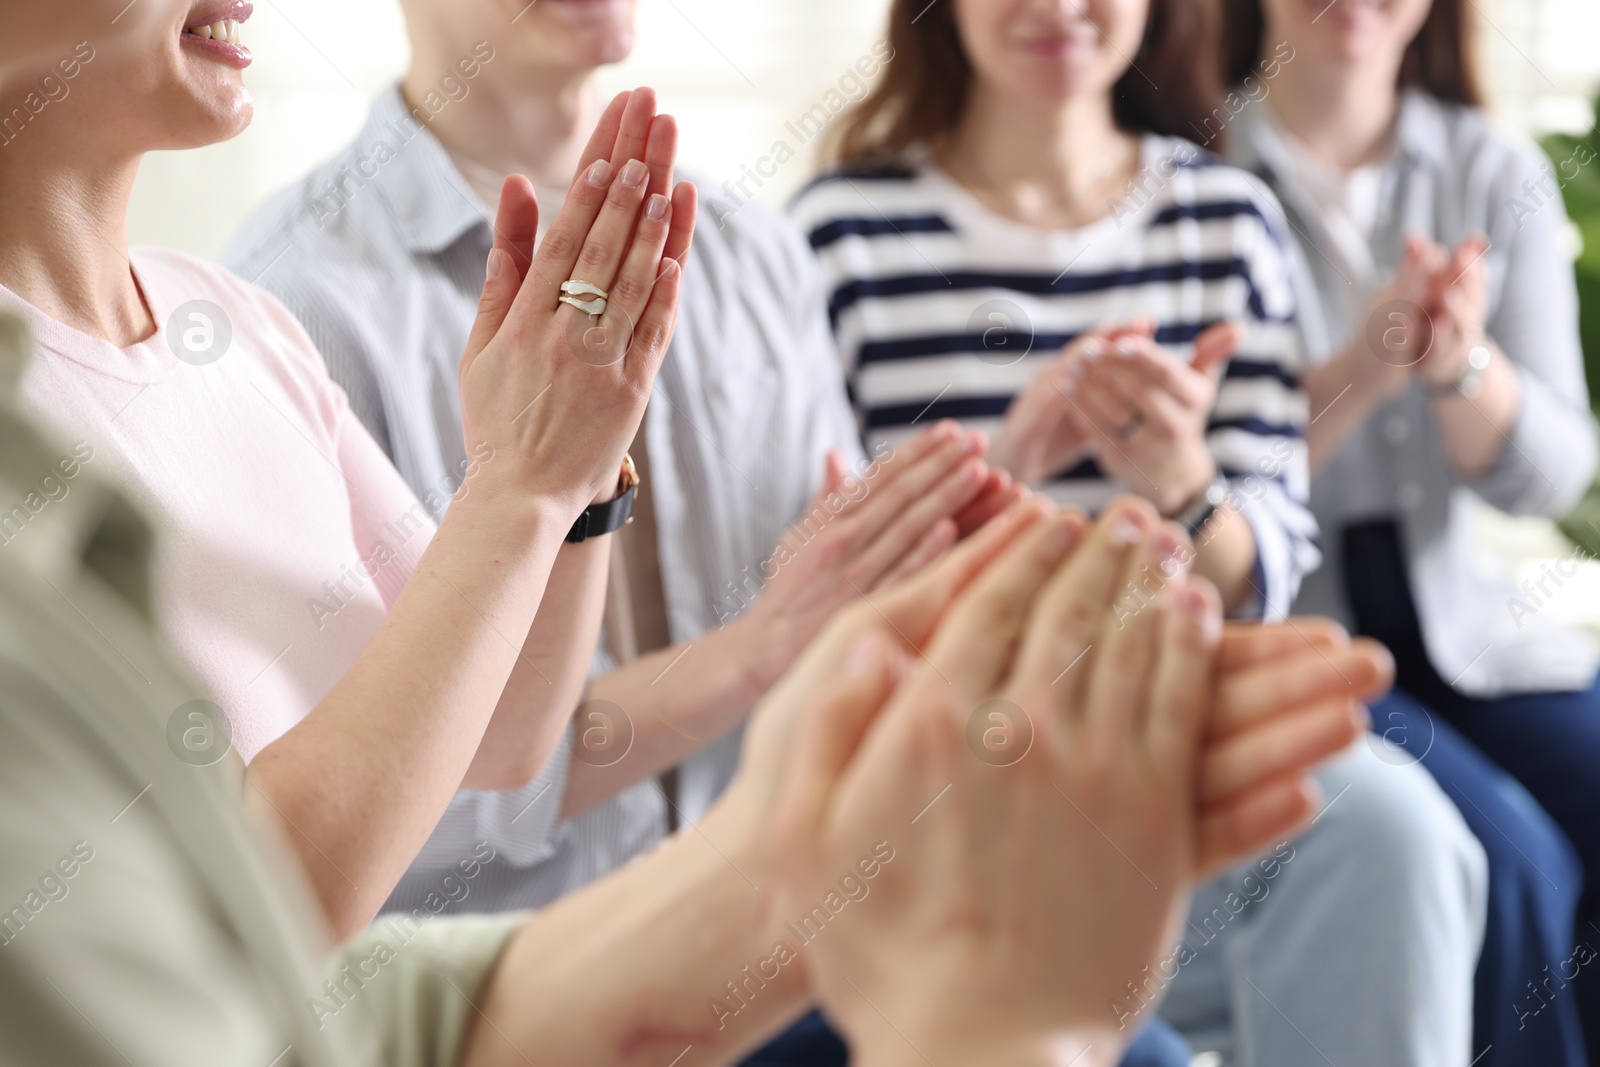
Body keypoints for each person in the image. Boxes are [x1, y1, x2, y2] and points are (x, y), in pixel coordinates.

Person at [224, 3, 1032, 1061]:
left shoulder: (751, 250)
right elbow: (387, 795)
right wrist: (755, 651)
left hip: (784, 936)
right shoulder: (294, 302)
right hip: (508, 982)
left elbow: (838, 604)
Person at [788, 0, 1489, 1064]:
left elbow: (1263, 559)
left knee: (1396, 832)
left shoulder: (1220, 214)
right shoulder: (836, 232)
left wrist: (1180, 480)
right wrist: (1007, 469)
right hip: (939, 720)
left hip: (1173, 694)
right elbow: (804, 571)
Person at [0, 0, 698, 944]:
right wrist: (520, 486)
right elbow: (231, 922)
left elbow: (498, 733)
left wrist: (570, 474)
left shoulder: (234, 321)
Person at [1221, 0, 1600, 1061]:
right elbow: (1206, 493)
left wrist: (1459, 370)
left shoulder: (1491, 163)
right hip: (1299, 629)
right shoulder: (1193, 169)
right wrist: (1364, 371)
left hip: (1462, 617)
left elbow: (1557, 469)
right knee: (1514, 858)